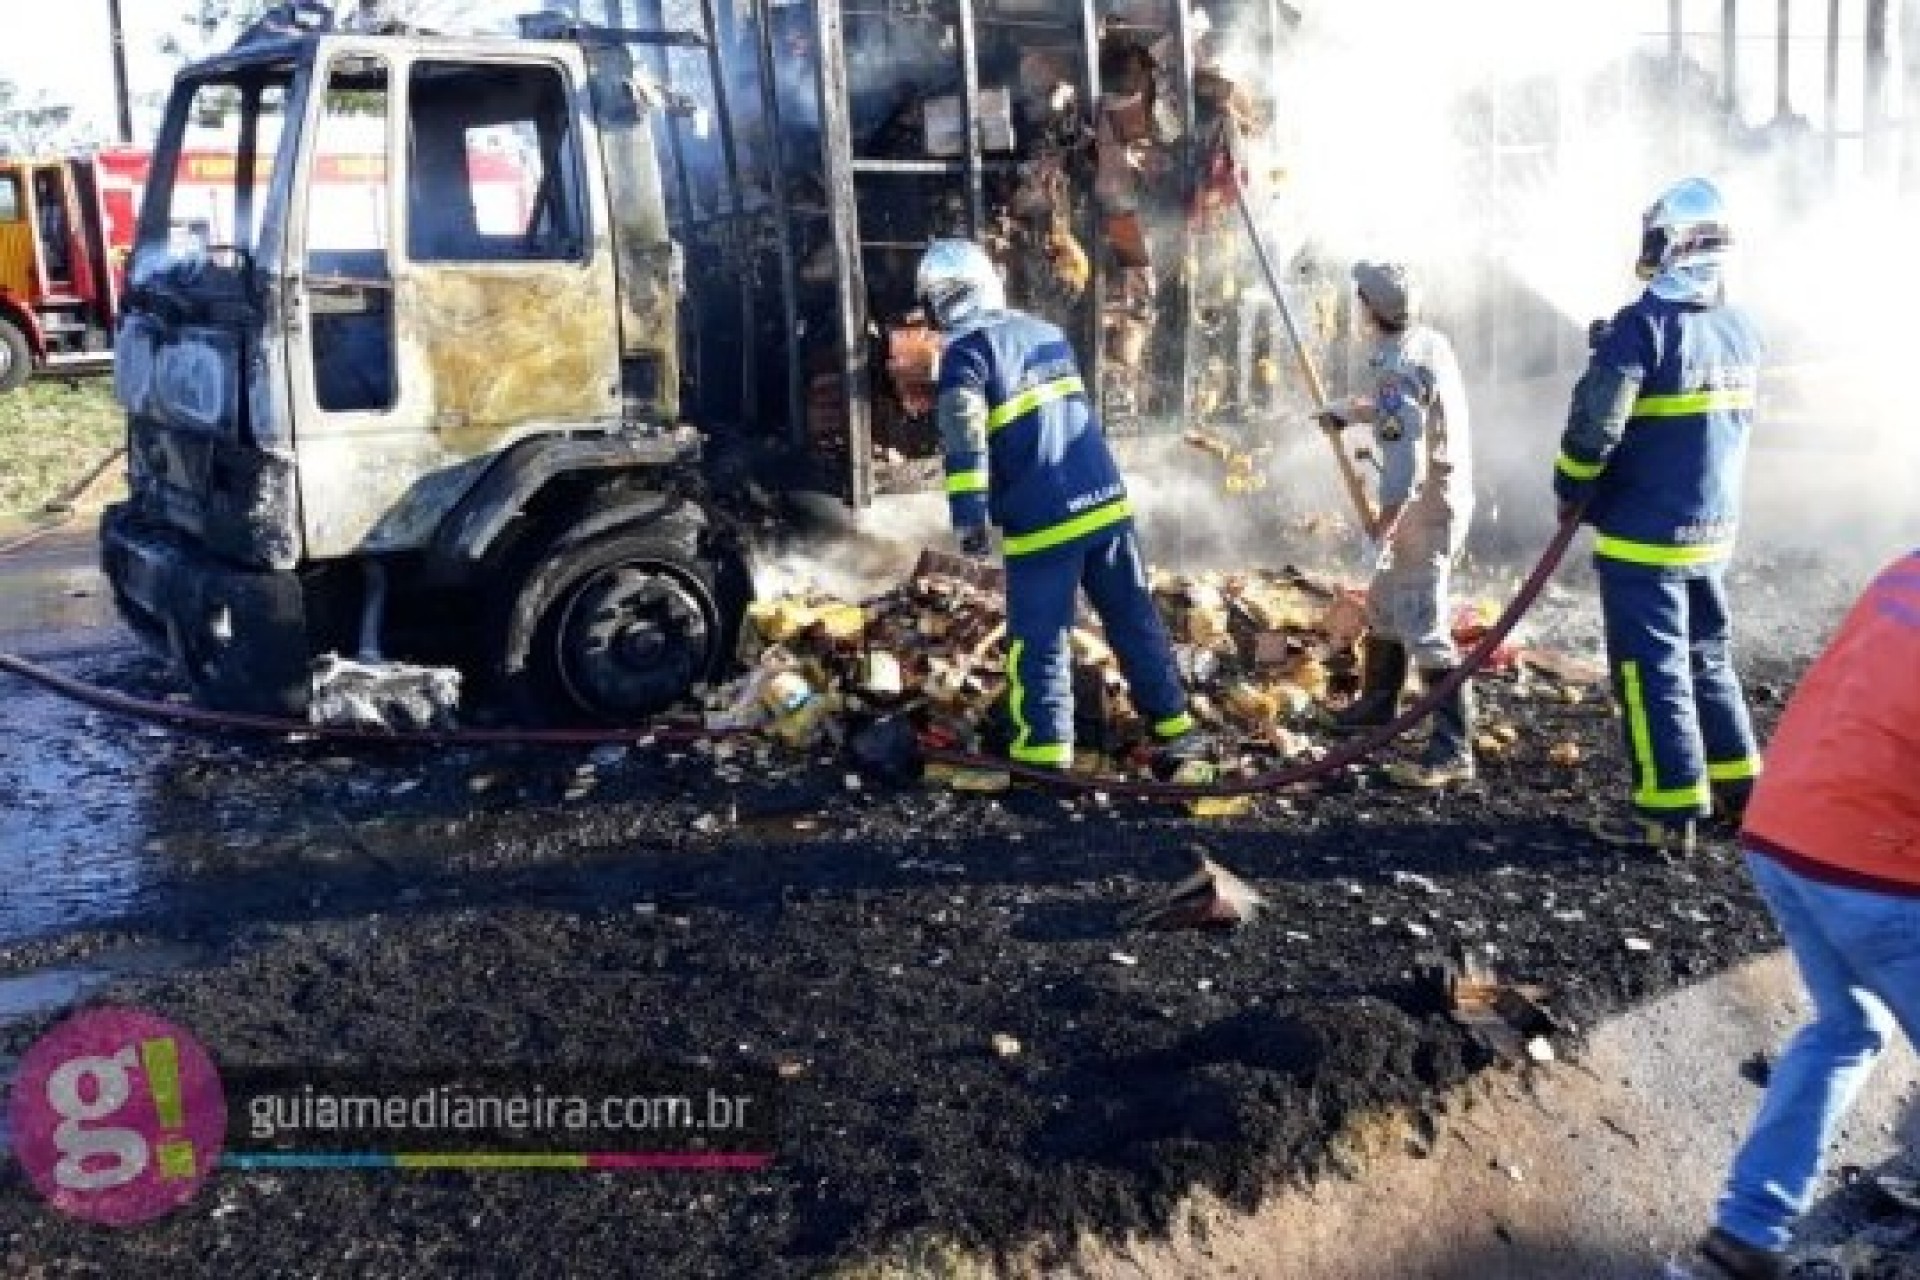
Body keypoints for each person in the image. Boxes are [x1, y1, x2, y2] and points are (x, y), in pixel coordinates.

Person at [1677, 549, 1920, 1280]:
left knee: (1845, 1029)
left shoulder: (1906, 569)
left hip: (1784, 830)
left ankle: (1745, 1232)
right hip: (1873, 861)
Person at [917, 237, 1203, 772]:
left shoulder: (966, 355)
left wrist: (971, 516)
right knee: (1132, 616)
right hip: (1106, 503)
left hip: (1044, 519)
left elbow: (966, 438)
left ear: (938, 301)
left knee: (1040, 638)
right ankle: (1175, 726)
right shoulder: (1046, 333)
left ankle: (1043, 755)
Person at [1553, 177, 1763, 857]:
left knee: (1650, 670)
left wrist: (1570, 484)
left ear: (1674, 245)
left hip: (1645, 538)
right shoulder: (1740, 328)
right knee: (1707, 656)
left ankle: (1668, 810)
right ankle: (1742, 790)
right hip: (1711, 531)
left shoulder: (1643, 326)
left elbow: (1596, 428)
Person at [1316, 260, 1477, 789]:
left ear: (1369, 308)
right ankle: (1377, 705)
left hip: (1425, 510)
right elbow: (1410, 411)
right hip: (1439, 499)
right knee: (1384, 605)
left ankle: (1453, 749)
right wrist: (1346, 411)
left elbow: (1405, 468)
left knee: (1423, 621)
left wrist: (1380, 529)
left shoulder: (1396, 373)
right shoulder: (1428, 342)